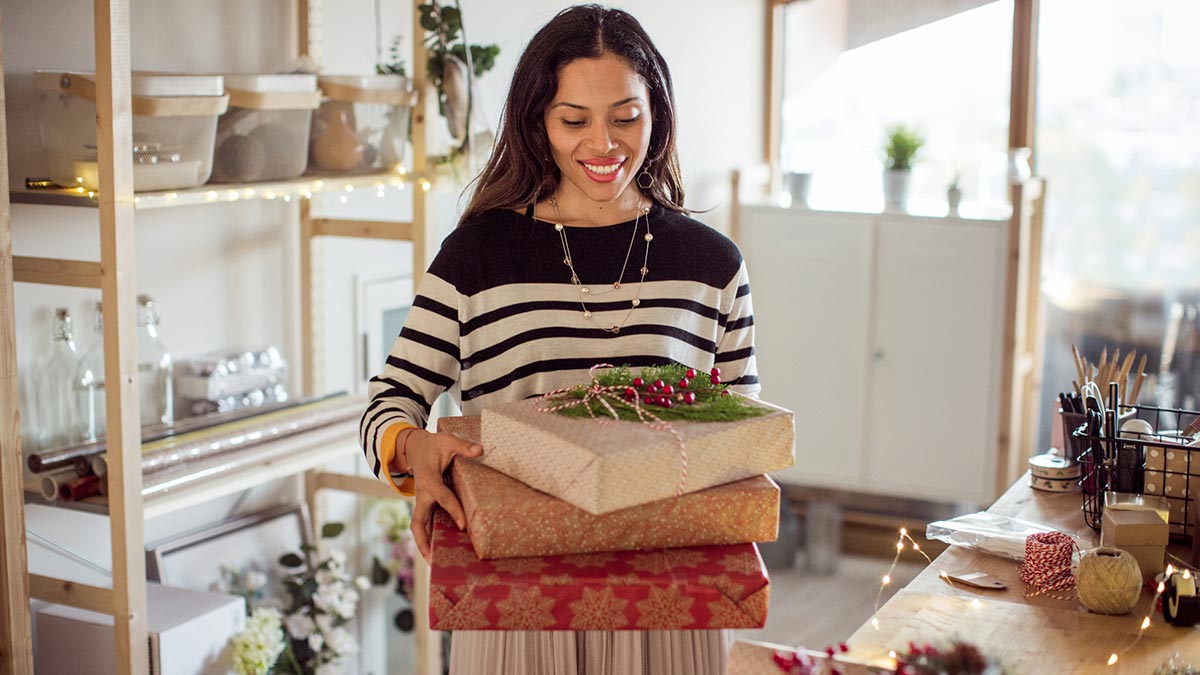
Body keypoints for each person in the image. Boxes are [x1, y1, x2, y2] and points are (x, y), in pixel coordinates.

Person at [359, 5, 759, 673]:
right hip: (516, 604)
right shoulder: (476, 255)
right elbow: (390, 399)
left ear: (656, 111)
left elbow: (743, 446)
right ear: (538, 123)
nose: (603, 144)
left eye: (625, 116)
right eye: (574, 120)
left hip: (668, 605)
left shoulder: (714, 266)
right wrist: (413, 444)